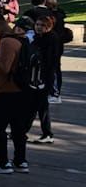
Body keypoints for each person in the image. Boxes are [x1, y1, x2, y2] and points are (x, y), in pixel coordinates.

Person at [0, 12, 34, 174]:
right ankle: (20, 160)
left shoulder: (7, 42)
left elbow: (4, 68)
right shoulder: (20, 40)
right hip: (22, 91)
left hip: (6, 91)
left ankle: (2, 161)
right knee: (18, 128)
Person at [32, 14, 61, 143]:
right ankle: (23, 130)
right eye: (37, 24)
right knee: (35, 106)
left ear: (48, 27)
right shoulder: (38, 38)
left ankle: (47, 133)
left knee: (40, 106)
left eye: (42, 25)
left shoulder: (51, 39)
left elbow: (50, 60)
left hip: (44, 77)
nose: (39, 27)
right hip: (37, 76)